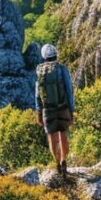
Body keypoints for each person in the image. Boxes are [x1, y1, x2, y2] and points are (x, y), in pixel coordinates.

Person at [35, 44, 75, 178]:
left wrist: (39, 112)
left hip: (47, 110)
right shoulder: (62, 69)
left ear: (44, 57)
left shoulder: (40, 71)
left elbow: (37, 95)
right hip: (63, 107)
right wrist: (71, 110)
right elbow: (69, 90)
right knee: (63, 134)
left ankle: (57, 162)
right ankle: (64, 161)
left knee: (52, 136)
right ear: (56, 54)